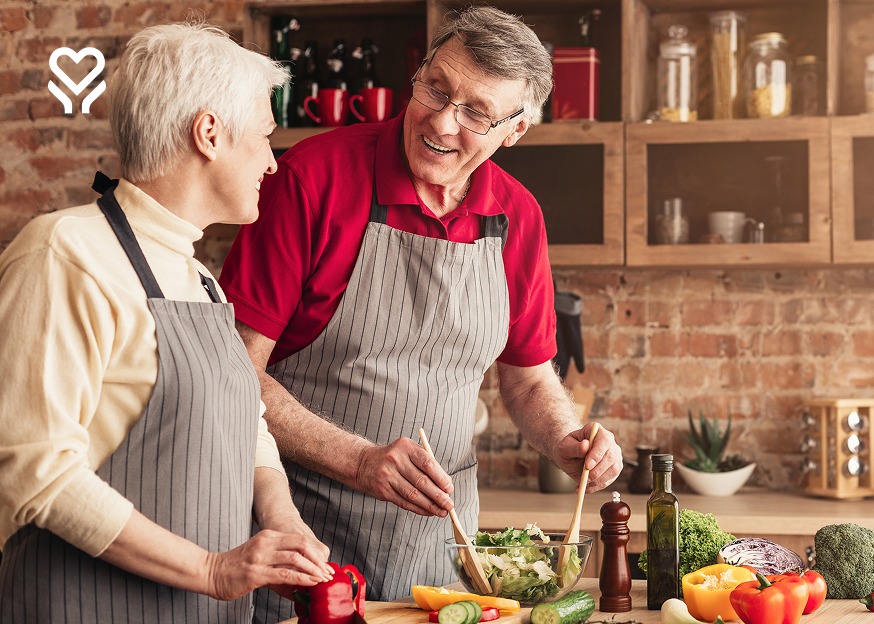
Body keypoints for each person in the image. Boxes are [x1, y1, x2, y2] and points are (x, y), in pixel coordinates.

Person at [217, 6, 624, 622]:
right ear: (419, 74)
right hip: (296, 538)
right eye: (437, 88)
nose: (442, 121)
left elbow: (530, 377)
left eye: (477, 113)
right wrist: (357, 460)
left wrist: (566, 441)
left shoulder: (519, 218)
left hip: (442, 553)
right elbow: (232, 369)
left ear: (515, 131)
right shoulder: (312, 178)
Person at [0, 23, 332, 623]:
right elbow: (34, 472)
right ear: (209, 134)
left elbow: (247, 425)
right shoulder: (64, 252)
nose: (273, 164)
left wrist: (282, 523)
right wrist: (212, 570)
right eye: (263, 139)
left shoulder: (197, 275)